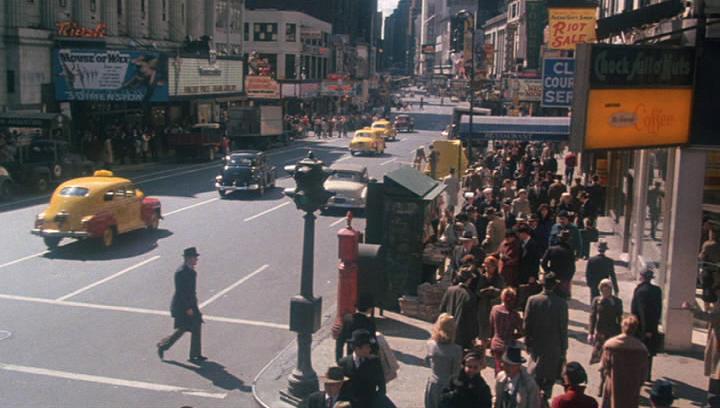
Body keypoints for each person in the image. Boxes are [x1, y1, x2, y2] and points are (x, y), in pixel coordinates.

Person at [157, 247, 207, 363]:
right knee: (183, 328)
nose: (196, 260)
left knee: (196, 325)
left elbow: (191, 291)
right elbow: (181, 292)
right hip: (182, 306)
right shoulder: (181, 273)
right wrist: (188, 308)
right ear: (189, 259)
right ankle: (163, 345)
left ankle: (195, 354)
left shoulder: (192, 272)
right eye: (195, 258)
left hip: (191, 303)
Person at [524, 272, 568, 400]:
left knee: (534, 375)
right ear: (555, 286)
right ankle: (544, 399)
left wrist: (527, 342)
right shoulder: (561, 303)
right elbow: (563, 328)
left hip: (537, 344)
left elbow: (527, 324)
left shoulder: (532, 300)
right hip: (554, 346)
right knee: (549, 378)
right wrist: (564, 349)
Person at [600, 315, 649, 408]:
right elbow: (644, 372)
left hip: (613, 384)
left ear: (622, 326)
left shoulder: (610, 345)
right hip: (632, 387)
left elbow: (604, 366)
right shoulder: (641, 349)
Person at [338, 329, 389, 408]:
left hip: (369, 404)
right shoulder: (344, 363)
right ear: (357, 348)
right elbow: (340, 388)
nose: (370, 349)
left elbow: (381, 386)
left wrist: (376, 402)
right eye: (367, 347)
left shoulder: (374, 362)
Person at [425, 314, 464, 408]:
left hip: (433, 384)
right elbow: (455, 372)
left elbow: (427, 361)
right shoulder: (456, 349)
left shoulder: (430, 345)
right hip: (447, 386)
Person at [631, 267, 662, 380]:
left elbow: (643, 312)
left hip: (641, 326)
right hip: (653, 325)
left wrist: (646, 329)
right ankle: (647, 374)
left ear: (642, 277)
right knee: (649, 353)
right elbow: (658, 309)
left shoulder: (641, 291)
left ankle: (641, 374)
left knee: (640, 351)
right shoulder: (657, 290)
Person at [439, 267, 479, 350]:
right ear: (468, 280)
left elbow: (442, 309)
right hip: (461, 334)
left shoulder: (450, 290)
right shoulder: (470, 296)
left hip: (446, 328)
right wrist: (473, 335)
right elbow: (471, 319)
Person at [494, 343, 542, 408]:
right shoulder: (500, 377)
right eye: (505, 364)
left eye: (510, 365)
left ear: (518, 366)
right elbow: (497, 400)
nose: (506, 367)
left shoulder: (529, 384)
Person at [588, 279, 623, 367]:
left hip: (613, 332)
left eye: (607, 289)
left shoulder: (617, 301)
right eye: (603, 289)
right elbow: (593, 317)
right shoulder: (597, 300)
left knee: (610, 356)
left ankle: (606, 370)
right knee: (600, 354)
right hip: (601, 332)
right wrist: (591, 333)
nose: (605, 292)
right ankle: (602, 370)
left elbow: (619, 318)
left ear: (611, 290)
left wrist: (621, 333)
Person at [489, 288, 523, 374]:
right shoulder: (514, 315)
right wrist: (514, 336)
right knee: (509, 371)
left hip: (496, 342)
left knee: (498, 368)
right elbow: (522, 331)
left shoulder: (494, 309)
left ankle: (498, 385)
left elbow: (491, 326)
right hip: (509, 344)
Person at [335, 294, 377, 362]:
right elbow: (373, 343)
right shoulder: (370, 323)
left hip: (350, 357)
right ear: (370, 309)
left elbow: (340, 341)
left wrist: (339, 359)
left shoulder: (347, 319)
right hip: (365, 359)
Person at [477, 256, 506, 343]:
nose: (486, 269)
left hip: (494, 305)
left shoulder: (499, 278)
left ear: (494, 267)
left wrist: (494, 290)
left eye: (489, 266)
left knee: (494, 325)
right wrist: (484, 291)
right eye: (485, 266)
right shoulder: (481, 278)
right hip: (483, 305)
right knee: (483, 325)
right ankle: (483, 344)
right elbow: (477, 291)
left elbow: (502, 292)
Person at [542, 230, 576, 299]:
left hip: (552, 276)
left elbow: (543, 263)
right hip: (563, 278)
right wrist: (568, 278)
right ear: (568, 240)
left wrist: (548, 271)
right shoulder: (570, 251)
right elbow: (572, 267)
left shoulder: (551, 249)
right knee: (562, 298)